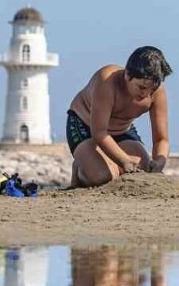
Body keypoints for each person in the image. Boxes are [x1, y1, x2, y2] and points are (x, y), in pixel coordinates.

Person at [67, 46, 172, 188]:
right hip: (85, 126)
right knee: (104, 176)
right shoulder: (107, 81)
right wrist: (125, 161)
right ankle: (80, 168)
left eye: (151, 89)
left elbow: (161, 139)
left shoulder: (157, 92)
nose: (146, 94)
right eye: (141, 87)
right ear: (127, 75)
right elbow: (99, 133)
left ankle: (96, 161)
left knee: (144, 170)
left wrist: (159, 162)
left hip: (121, 129)